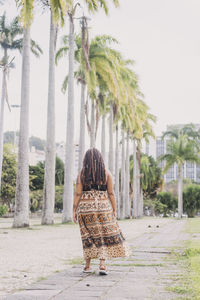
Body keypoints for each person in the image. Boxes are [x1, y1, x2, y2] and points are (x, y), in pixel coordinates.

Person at [73, 148, 129, 275]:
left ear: (85, 159)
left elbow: (77, 193)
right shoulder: (107, 173)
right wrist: (114, 209)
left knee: (87, 236)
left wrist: (74, 210)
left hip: (86, 208)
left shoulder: (81, 174)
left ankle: (87, 266)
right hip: (103, 207)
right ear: (100, 159)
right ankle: (102, 265)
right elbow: (111, 193)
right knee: (102, 235)